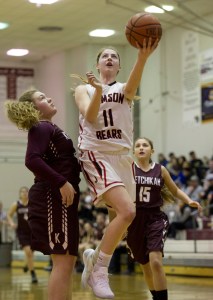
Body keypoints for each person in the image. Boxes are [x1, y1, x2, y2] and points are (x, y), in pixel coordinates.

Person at [72, 38, 158, 299]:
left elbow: (132, 86)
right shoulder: (82, 89)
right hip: (96, 153)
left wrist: (143, 56)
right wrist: (97, 89)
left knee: (123, 219)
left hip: (122, 158)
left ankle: (94, 256)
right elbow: (89, 116)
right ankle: (99, 271)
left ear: (119, 67)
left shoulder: (123, 89)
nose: (110, 58)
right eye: (105, 56)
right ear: (97, 64)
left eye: (115, 56)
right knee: (128, 210)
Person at [5, 89, 81, 300]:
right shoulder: (40, 126)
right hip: (52, 196)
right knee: (62, 262)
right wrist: (61, 182)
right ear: (33, 108)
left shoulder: (52, 127)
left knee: (68, 262)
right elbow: (31, 160)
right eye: (41, 98)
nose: (49, 98)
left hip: (63, 198)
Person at [126, 137, 202, 300]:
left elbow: (174, 191)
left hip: (155, 218)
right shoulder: (128, 169)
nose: (141, 148)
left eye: (145, 145)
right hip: (134, 221)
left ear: (151, 151)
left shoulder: (160, 170)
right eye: (137, 146)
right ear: (133, 151)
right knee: (145, 267)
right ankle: (156, 296)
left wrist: (189, 200)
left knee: (155, 261)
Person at [7, 186, 38, 283]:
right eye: (22, 192)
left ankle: (27, 265)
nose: (24, 193)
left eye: (26, 191)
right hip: (22, 232)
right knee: (28, 252)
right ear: (20, 194)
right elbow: (9, 215)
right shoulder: (16, 204)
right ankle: (33, 274)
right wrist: (11, 223)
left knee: (31, 254)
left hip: (32, 232)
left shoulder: (32, 204)